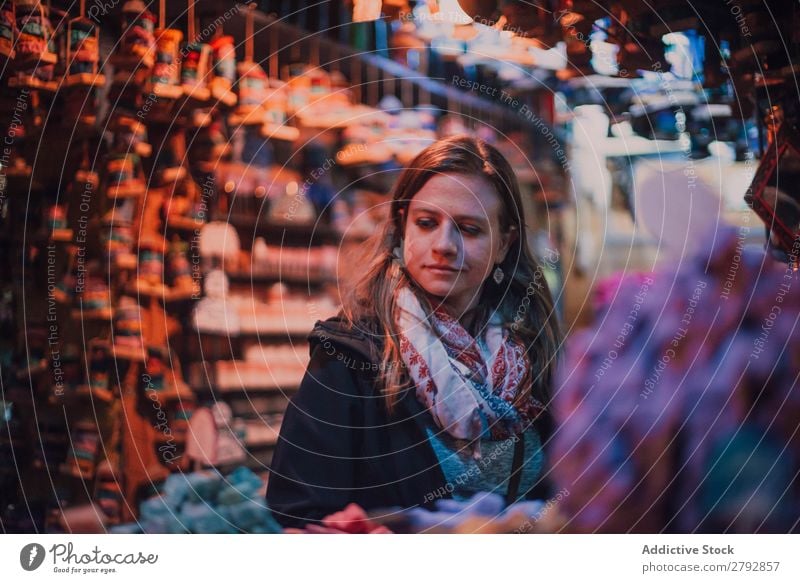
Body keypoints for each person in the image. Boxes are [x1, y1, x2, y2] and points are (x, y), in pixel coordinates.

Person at [266, 135, 561, 529]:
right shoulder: (349, 357)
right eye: (426, 223)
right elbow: (298, 515)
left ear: (504, 244)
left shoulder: (537, 356)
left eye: (470, 229)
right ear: (403, 227)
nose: (444, 245)